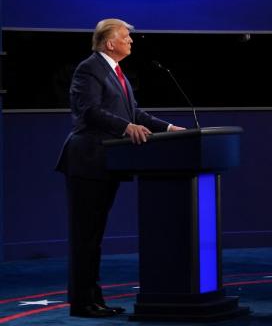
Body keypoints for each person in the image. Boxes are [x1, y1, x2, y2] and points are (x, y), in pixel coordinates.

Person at [55, 19, 185, 317]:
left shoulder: (117, 73)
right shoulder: (89, 68)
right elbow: (89, 111)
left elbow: (133, 112)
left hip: (107, 163)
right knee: (85, 237)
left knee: (94, 236)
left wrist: (167, 127)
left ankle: (94, 299)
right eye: (126, 36)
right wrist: (126, 127)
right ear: (109, 42)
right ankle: (83, 303)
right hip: (87, 161)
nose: (131, 41)